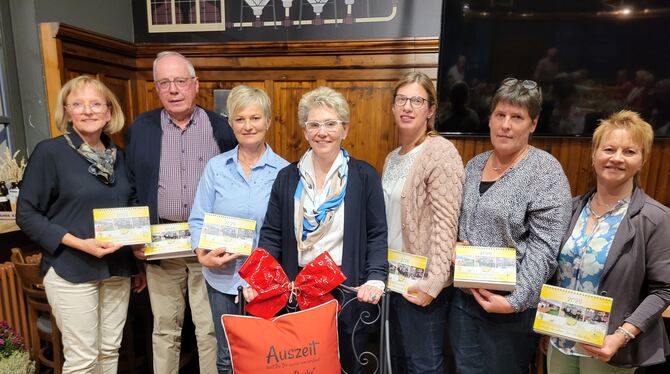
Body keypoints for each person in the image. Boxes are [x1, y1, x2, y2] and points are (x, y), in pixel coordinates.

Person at [245, 86, 388, 374]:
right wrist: (258, 280)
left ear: (345, 129)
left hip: (347, 291)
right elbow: (272, 234)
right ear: (305, 130)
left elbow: (376, 234)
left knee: (346, 364)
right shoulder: (287, 177)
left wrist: (375, 278)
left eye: (330, 124)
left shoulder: (364, 176)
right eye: (314, 125)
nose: (322, 132)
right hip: (298, 290)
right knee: (300, 366)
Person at [16, 75, 145, 373]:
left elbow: (128, 209)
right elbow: (27, 214)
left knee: (110, 351)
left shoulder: (119, 157)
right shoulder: (51, 152)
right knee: (83, 358)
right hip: (71, 268)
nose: (88, 111)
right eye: (78, 104)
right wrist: (79, 243)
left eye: (96, 104)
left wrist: (136, 262)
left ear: (109, 112)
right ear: (67, 111)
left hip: (116, 269)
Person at [449, 77, 572, 374]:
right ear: (490, 119)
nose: (506, 125)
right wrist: (453, 244)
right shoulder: (475, 165)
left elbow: (545, 248)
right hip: (465, 302)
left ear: (532, 124)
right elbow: (458, 220)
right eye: (500, 115)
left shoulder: (546, 172)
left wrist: (515, 302)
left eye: (517, 117)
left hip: (509, 311)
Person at [125, 51, 237, 374]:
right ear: (156, 88)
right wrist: (135, 242)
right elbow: (131, 187)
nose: (173, 89)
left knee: (210, 328)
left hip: (209, 245)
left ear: (195, 84)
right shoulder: (141, 129)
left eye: (180, 81)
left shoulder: (223, 129)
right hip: (161, 246)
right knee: (164, 329)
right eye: (164, 82)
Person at [547, 110, 670, 373]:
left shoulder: (654, 218)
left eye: (629, 152)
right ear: (594, 155)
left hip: (609, 349)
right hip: (560, 340)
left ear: (642, 160)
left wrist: (621, 336)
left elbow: (663, 290)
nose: (616, 158)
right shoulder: (570, 209)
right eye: (609, 149)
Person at [188, 85, 289, 373]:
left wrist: (264, 275)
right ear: (230, 123)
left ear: (268, 122)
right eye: (240, 119)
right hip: (221, 278)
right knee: (226, 355)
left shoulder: (284, 172)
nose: (248, 126)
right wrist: (202, 255)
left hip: (265, 282)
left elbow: (286, 232)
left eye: (255, 118)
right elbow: (198, 219)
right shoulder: (215, 168)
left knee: (265, 356)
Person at [382, 71, 464, 373]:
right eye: (401, 99)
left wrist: (435, 281)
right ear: (392, 107)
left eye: (417, 101)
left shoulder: (440, 152)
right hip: (395, 277)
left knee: (425, 365)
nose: (407, 107)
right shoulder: (392, 158)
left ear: (430, 110)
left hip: (424, 283)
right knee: (399, 361)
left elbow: (446, 222)